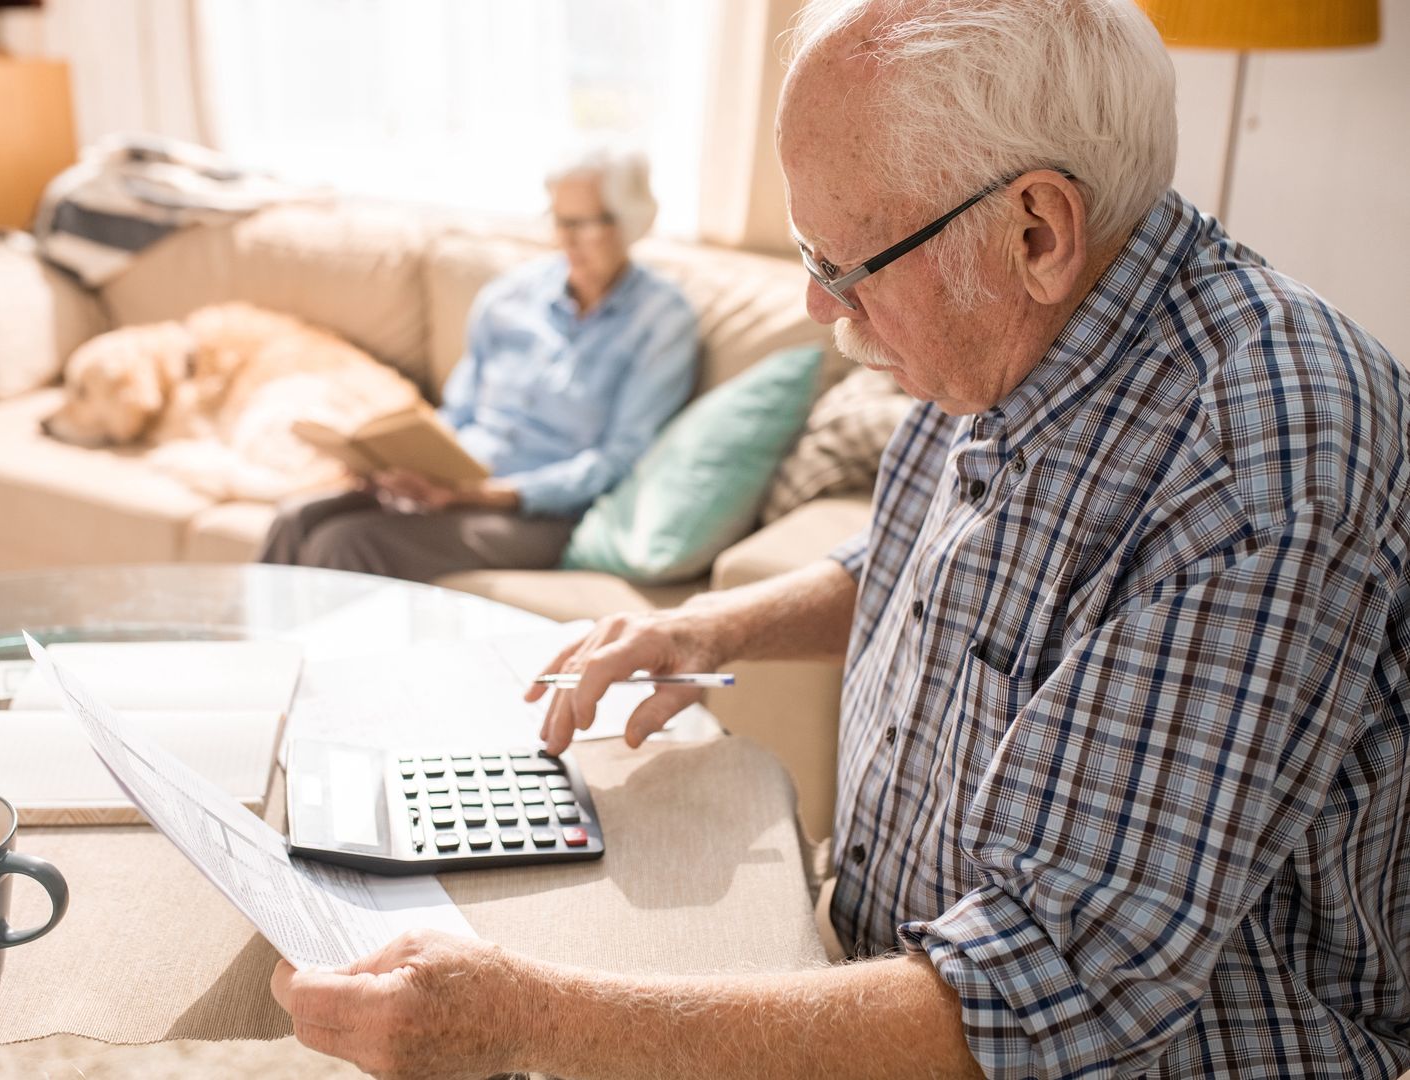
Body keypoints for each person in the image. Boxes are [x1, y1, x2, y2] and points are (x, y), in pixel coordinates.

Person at [268, 1, 1410, 1076]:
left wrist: (527, 1022)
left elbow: (1037, 1007)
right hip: (890, 964)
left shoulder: (1258, 453)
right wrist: (702, 625)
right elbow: (920, 568)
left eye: (841, 264)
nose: (821, 307)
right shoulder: (1010, 323)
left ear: (1037, 228)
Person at [257, 145, 698, 581]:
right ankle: (257, 651)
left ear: (629, 221)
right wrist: (400, 465)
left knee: (347, 542)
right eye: (558, 220)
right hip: (454, 484)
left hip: (541, 512)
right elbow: (459, 414)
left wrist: (491, 496)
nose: (565, 238)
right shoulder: (510, 296)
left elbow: (620, 460)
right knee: (294, 518)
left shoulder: (661, 322)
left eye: (582, 224)